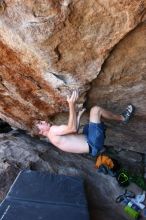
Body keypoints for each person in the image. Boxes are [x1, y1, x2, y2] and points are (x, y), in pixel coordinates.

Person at [35, 90, 135, 157]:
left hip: (91, 145)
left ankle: (103, 129)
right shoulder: (53, 131)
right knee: (96, 110)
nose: (44, 121)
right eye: (40, 123)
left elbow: (73, 133)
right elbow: (72, 128)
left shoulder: (52, 137)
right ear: (40, 131)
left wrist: (78, 117)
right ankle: (122, 118)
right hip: (93, 143)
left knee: (90, 123)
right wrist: (71, 104)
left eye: (41, 120)